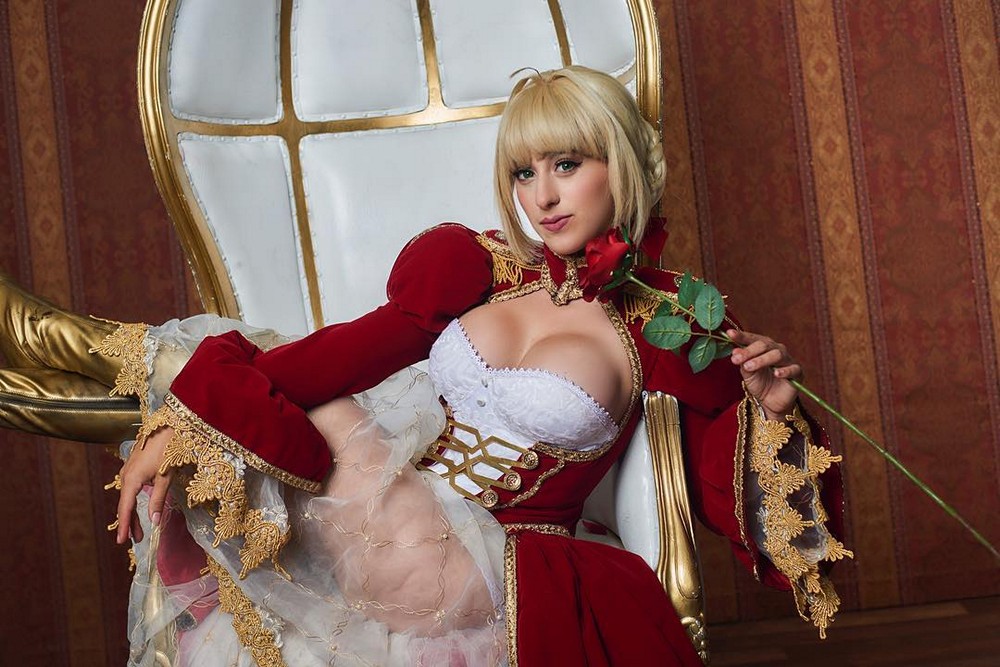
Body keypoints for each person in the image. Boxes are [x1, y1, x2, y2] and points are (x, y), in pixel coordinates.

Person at [2, 66, 847, 666]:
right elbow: (347, 352)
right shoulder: (481, 269)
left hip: (483, 566)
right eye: (524, 171)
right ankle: (45, 368)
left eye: (566, 164)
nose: (543, 195)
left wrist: (771, 408)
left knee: (229, 377)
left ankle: (61, 354)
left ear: (618, 165)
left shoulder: (668, 323)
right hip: (385, 516)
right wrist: (192, 418)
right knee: (255, 369)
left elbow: (735, 498)